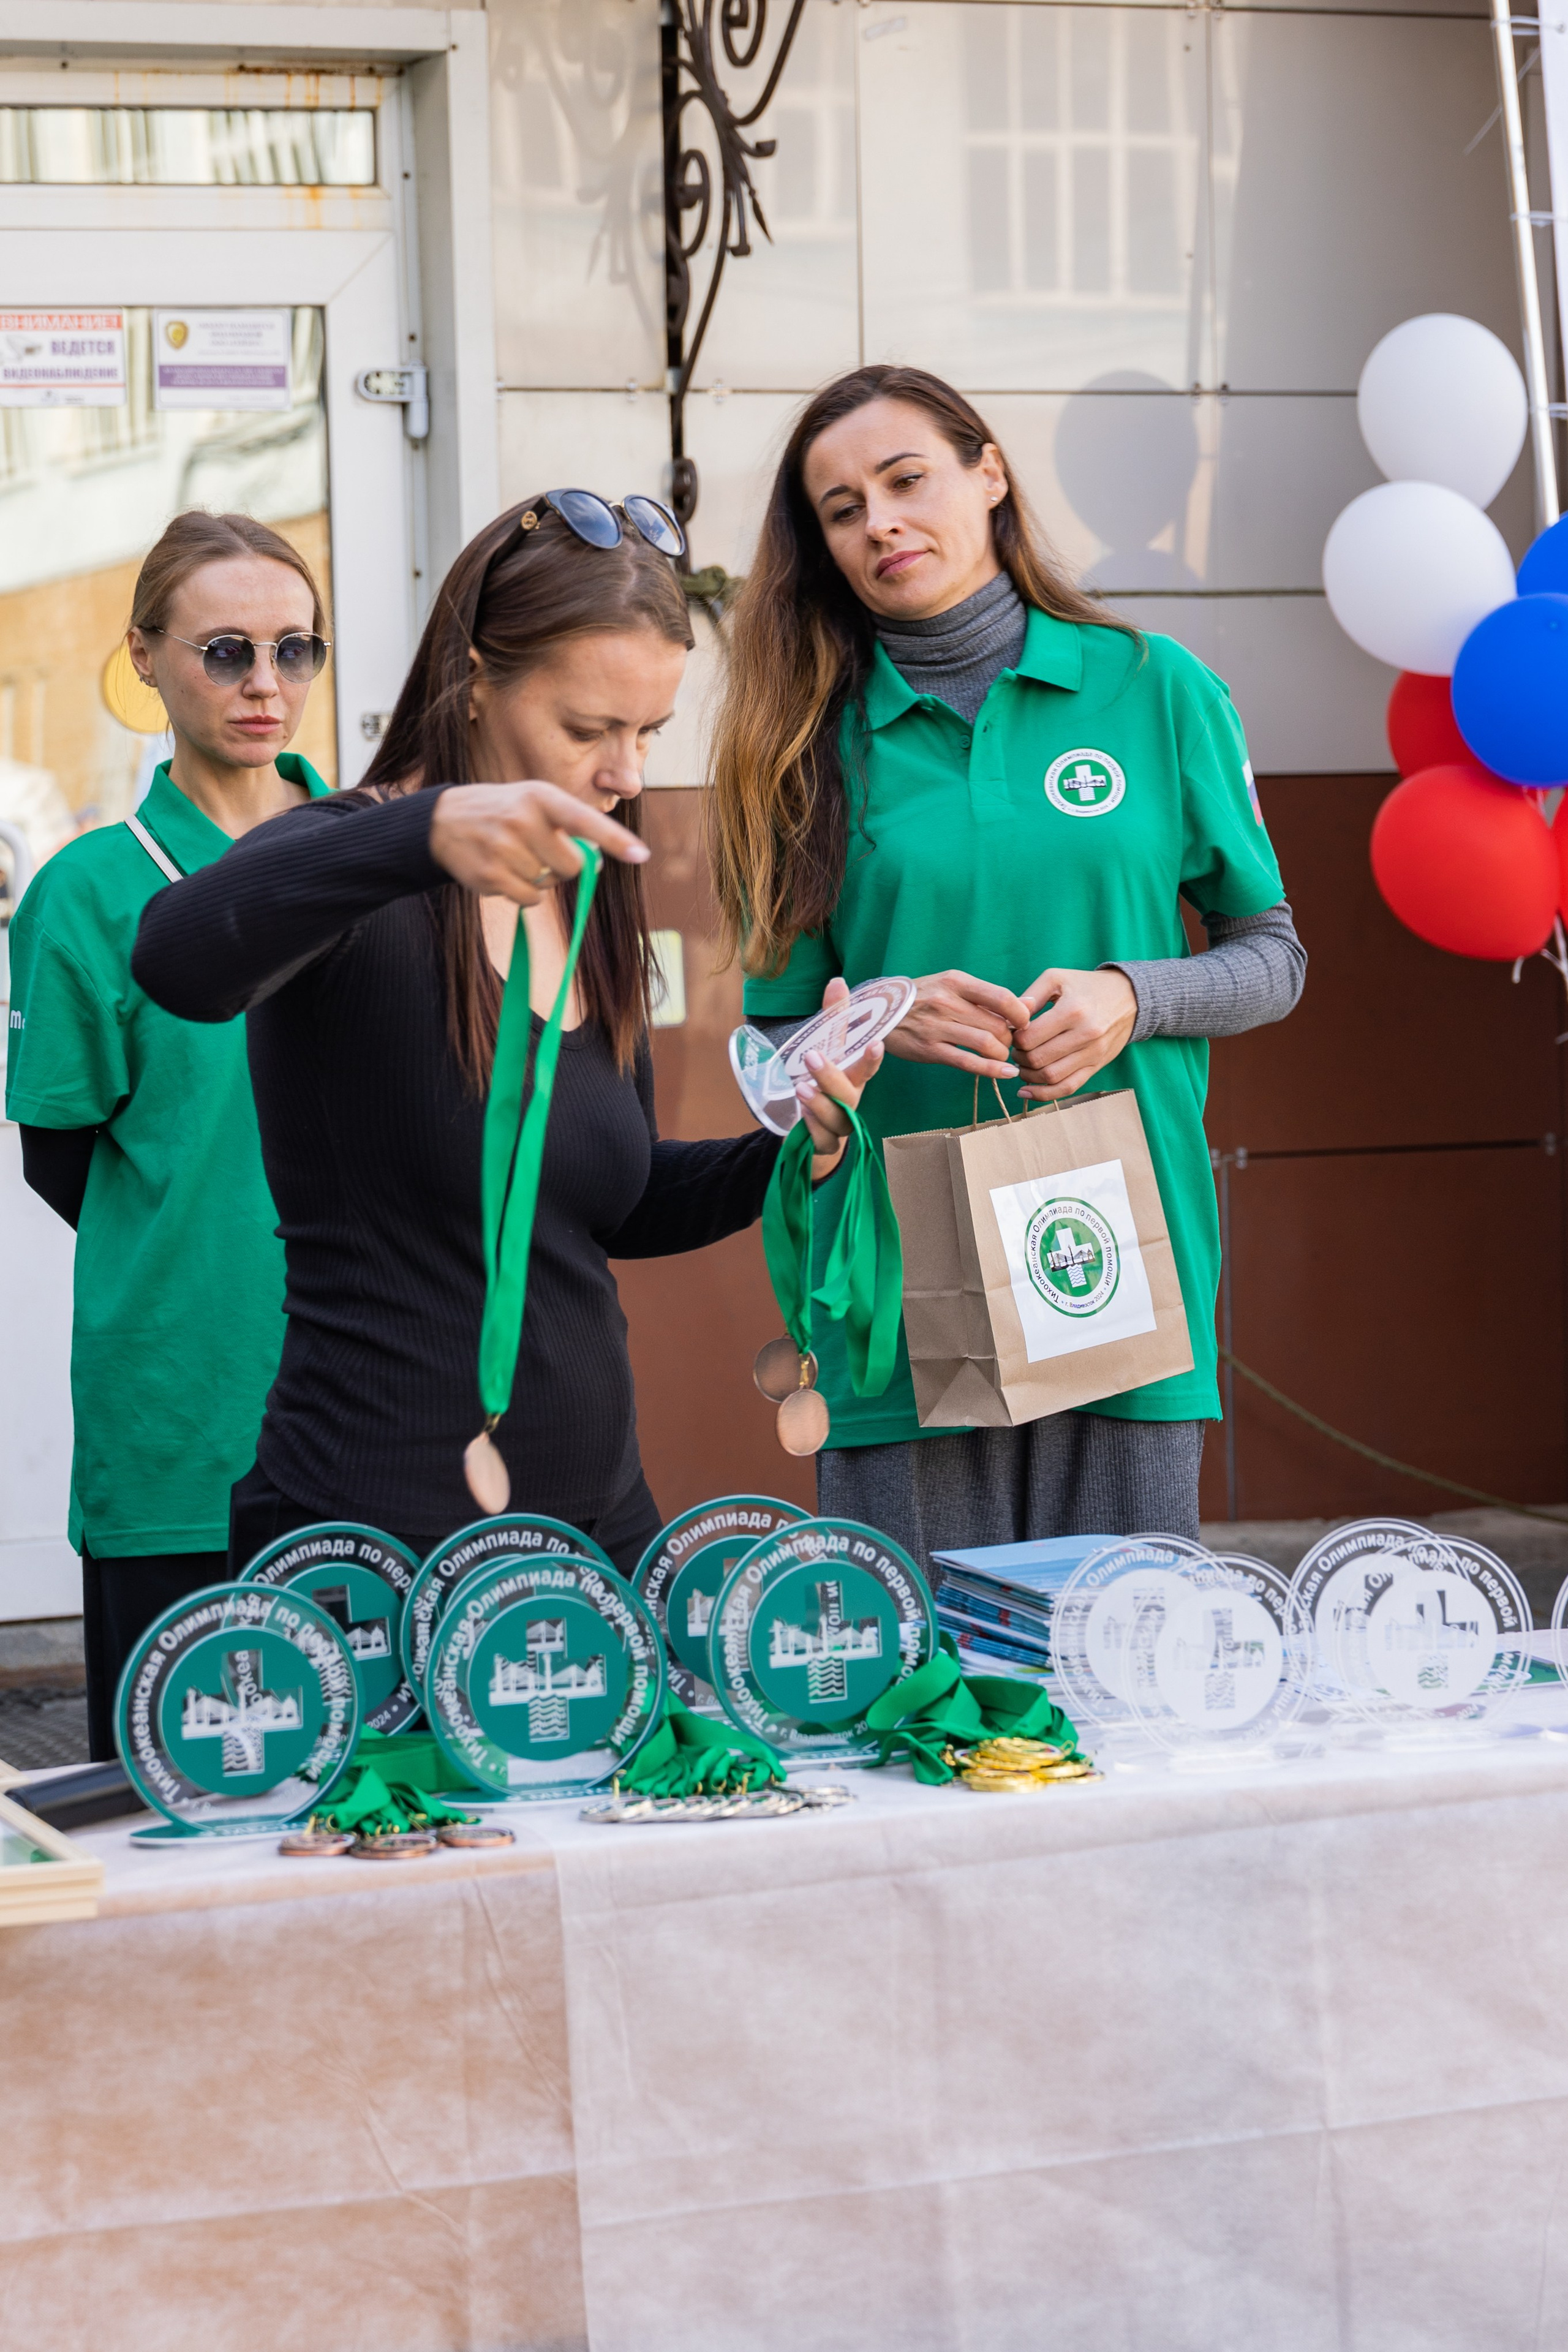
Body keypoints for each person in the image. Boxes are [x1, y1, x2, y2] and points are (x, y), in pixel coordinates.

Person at [131, 492, 879, 1579]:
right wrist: (420, 830)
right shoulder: (357, 858)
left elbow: (616, 1202)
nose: (627, 773)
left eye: (650, 733)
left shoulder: (583, 882)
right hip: (377, 1548)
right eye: (590, 730)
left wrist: (794, 1144)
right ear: (477, 676)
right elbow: (176, 958)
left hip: (599, 1528)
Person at [707, 365, 1306, 1567]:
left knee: (1119, 1674)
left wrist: (1134, 996)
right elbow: (771, 1062)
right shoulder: (793, 749)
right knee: (926, 1690)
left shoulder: (1153, 688)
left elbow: (1272, 959)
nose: (877, 520)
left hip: (1114, 1243)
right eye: (839, 508)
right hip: (894, 1265)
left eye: (903, 479)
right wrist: (878, 1015)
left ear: (987, 475)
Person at [7, 511, 333, 1757]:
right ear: (144, 656)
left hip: (369, 1405)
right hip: (180, 1416)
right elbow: (63, 1157)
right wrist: (204, 1243)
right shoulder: (90, 891)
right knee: (182, 1810)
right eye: (227, 650)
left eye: (296, 651)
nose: (266, 684)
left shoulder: (374, 852)